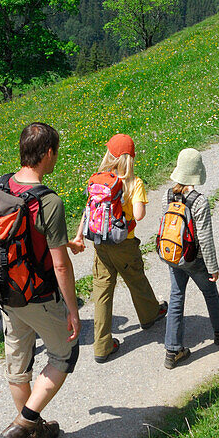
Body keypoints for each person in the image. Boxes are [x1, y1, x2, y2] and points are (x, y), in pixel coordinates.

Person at [0, 122, 80, 438]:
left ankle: (34, 434)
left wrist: (64, 241)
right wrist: (72, 309)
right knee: (63, 356)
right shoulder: (49, 201)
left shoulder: (4, 183)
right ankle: (22, 426)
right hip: (37, 294)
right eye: (55, 152)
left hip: (5, 289)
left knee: (19, 364)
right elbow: (60, 267)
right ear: (48, 154)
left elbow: (18, 233)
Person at [71, 133, 167, 362]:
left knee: (102, 292)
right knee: (136, 279)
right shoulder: (134, 183)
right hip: (123, 243)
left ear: (110, 155)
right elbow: (140, 215)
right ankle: (150, 314)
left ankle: (102, 346)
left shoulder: (98, 181)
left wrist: (78, 236)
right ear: (130, 158)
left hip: (100, 244)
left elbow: (88, 210)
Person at [162, 147, 219, 368]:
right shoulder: (199, 201)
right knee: (210, 291)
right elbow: (204, 238)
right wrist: (213, 267)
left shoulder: (168, 194)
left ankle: (172, 350)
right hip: (193, 258)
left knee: (176, 297)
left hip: (174, 256)